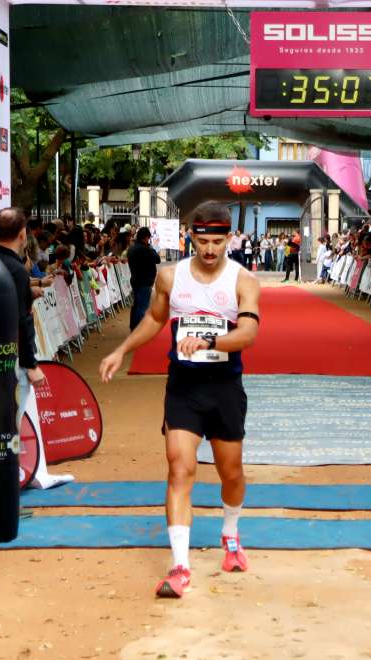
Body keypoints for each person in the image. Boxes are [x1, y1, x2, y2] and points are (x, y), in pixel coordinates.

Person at [99, 201, 261, 599]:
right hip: (184, 387)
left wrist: (209, 341)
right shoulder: (170, 276)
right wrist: (122, 351)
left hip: (225, 387)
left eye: (217, 242)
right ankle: (180, 566)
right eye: (203, 241)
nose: (209, 249)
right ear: (190, 236)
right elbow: (155, 319)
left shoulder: (243, 280)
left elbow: (248, 335)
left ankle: (230, 533)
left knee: (232, 474)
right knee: (179, 469)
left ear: (229, 239)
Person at [0, 207, 74, 489]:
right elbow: (22, 320)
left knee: (6, 414)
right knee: (19, 412)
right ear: (24, 235)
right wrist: (31, 364)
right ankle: (28, 471)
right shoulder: (14, 269)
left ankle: (28, 470)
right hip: (13, 355)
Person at [127, 226, 161, 331]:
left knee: (137, 304)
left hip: (135, 279)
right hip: (145, 281)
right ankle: (139, 329)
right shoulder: (146, 249)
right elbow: (157, 259)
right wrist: (150, 247)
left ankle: (133, 326)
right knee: (142, 307)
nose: (148, 240)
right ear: (145, 237)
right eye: (148, 238)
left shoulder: (132, 248)